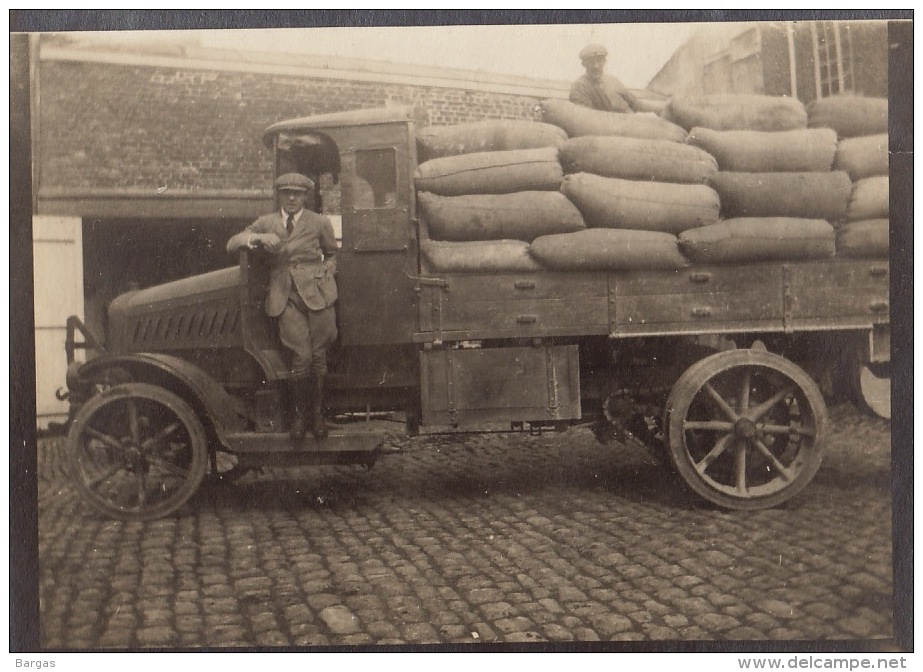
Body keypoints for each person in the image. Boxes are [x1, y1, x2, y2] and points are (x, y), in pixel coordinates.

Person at [227, 173, 338, 440]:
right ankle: (299, 418)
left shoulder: (319, 222)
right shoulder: (267, 222)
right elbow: (232, 242)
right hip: (284, 296)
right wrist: (259, 238)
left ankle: (318, 416)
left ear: (304, 197)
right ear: (279, 195)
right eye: (286, 193)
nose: (291, 198)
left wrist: (326, 270)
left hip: (318, 296)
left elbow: (333, 254)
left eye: (297, 194)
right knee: (302, 356)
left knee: (319, 357)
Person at [569, 43, 639, 113]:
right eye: (591, 62)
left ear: (604, 62)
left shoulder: (613, 81)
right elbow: (586, 117)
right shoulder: (579, 86)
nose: (596, 66)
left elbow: (635, 103)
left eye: (599, 61)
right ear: (584, 64)